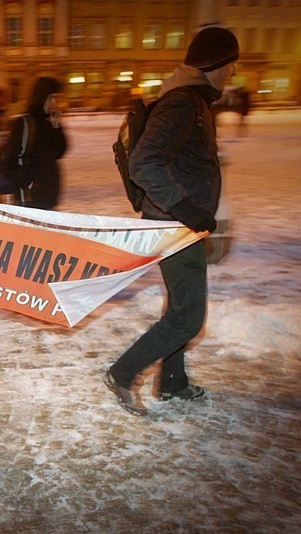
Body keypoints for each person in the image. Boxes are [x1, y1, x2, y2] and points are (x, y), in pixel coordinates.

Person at [103, 26, 239, 416]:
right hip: (174, 224)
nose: (233, 74)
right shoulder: (183, 104)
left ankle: (174, 383)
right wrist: (188, 209)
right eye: (231, 66)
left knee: (180, 305)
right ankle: (123, 373)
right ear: (215, 65)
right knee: (189, 315)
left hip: (180, 222)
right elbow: (145, 164)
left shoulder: (193, 103)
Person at [0, 77, 67, 210]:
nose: (56, 102)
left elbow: (60, 151)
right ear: (42, 96)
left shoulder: (50, 122)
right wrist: (27, 181)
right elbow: (7, 159)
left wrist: (56, 126)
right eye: (53, 97)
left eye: (57, 98)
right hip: (30, 197)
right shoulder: (25, 123)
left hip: (49, 195)